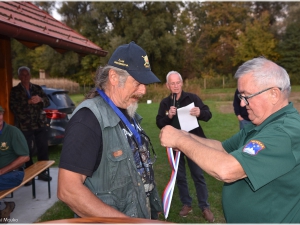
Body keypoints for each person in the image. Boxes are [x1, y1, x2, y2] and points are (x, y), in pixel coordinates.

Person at [159, 56, 300, 223]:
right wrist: (184, 135)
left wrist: (180, 141)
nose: (241, 104)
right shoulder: (263, 124)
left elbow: (227, 169)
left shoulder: (283, 132)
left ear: (274, 94)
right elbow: (222, 148)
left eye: (246, 96)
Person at [57, 41, 162, 219]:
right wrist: (127, 223)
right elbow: (68, 190)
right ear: (113, 77)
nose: (144, 91)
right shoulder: (87, 120)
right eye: (137, 83)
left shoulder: (127, 109)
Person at [156, 71, 214, 222]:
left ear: (182, 83)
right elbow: (159, 123)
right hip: (175, 146)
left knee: (198, 175)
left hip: (193, 143)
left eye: (177, 82)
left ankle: (204, 206)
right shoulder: (165, 103)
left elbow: (208, 114)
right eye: (172, 83)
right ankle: (186, 204)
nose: (175, 86)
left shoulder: (192, 98)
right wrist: (168, 116)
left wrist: (200, 112)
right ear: (168, 85)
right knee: (180, 176)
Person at [9, 66, 52, 185]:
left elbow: (47, 102)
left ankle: (43, 172)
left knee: (43, 148)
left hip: (39, 123)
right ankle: (28, 176)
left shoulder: (37, 88)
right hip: (24, 125)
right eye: (22, 75)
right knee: (26, 150)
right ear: (19, 77)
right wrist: (27, 102)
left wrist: (40, 99)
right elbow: (13, 107)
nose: (25, 77)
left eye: (27, 74)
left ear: (30, 75)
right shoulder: (15, 91)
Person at [0, 105, 29, 221]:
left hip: (14, 174)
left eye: (0, 114)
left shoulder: (13, 132)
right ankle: (5, 206)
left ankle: (4, 208)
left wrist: (1, 171)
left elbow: (25, 157)